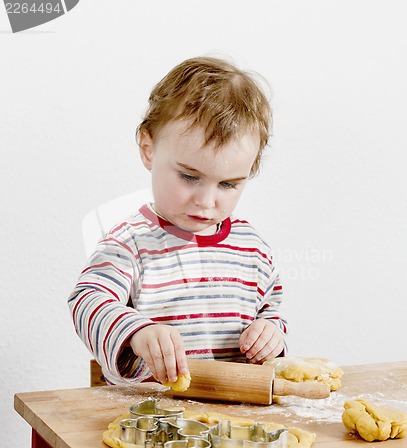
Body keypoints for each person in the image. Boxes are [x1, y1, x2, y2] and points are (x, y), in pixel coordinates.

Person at [68, 55, 288, 390]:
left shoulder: (251, 247)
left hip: (233, 426)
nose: (207, 200)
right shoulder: (131, 242)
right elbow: (87, 299)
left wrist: (271, 334)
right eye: (189, 176)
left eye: (228, 184)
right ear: (148, 149)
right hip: (150, 424)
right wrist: (137, 332)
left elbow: (270, 309)